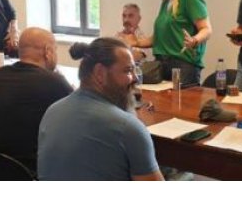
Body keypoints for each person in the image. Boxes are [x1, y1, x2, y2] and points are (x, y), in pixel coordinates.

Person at [37, 38, 163, 181]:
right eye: (128, 70)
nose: (135, 78)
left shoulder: (51, 112)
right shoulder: (128, 128)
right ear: (100, 73)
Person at [0, 28, 73, 172]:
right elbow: (77, 116)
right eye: (55, 50)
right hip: (25, 171)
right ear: (48, 51)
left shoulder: (0, 75)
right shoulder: (54, 82)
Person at [136, 0, 212, 86]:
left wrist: (194, 40)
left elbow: (207, 29)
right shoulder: (166, 3)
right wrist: (135, 42)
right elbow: (157, 38)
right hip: (161, 64)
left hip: (183, 65)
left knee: (180, 99)